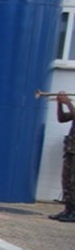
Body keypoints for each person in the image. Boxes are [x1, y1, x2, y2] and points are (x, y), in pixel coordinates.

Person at [51, 93, 75, 222]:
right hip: (71, 150)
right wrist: (59, 104)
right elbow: (62, 119)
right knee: (67, 181)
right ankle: (68, 209)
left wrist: (68, 103)